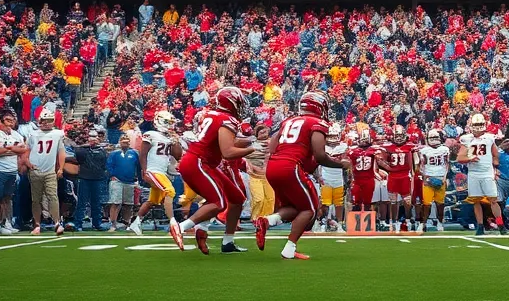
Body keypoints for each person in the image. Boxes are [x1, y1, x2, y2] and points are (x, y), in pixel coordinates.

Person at [255, 91, 347, 260]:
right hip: (290, 166)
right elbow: (319, 155)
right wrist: (340, 164)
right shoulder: (316, 122)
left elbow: (273, 147)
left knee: (296, 207)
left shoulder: (288, 121)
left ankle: (267, 221)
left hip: (274, 166)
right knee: (309, 209)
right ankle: (289, 249)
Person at [177, 86, 260, 254]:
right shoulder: (227, 119)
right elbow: (228, 152)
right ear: (231, 103)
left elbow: (224, 142)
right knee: (218, 203)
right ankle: (181, 227)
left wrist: (249, 142)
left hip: (202, 162)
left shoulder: (211, 114)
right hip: (199, 162)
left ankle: (227, 241)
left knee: (237, 198)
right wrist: (253, 149)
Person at [128, 111, 182, 236]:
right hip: (153, 170)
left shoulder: (168, 137)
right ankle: (173, 223)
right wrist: (144, 170)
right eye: (168, 122)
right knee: (170, 191)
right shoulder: (150, 134)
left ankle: (136, 222)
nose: (170, 125)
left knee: (153, 200)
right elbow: (143, 154)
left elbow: (177, 155)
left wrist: (176, 141)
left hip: (162, 172)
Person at [459, 113, 506, 236]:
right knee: (476, 201)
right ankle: (480, 226)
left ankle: (500, 224)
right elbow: (460, 157)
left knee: (493, 200)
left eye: (480, 124)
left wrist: (495, 166)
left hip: (486, 172)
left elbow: (496, 155)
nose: (479, 127)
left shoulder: (489, 138)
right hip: (474, 173)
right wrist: (470, 158)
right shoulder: (467, 139)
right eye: (477, 124)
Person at [25, 106, 66, 235]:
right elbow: (26, 152)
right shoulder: (33, 134)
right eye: (45, 120)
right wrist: (28, 163)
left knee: (52, 196)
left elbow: (61, 151)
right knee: (35, 199)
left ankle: (57, 223)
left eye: (49, 120)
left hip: (49, 171)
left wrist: (61, 168)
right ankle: (37, 224)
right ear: (39, 121)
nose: (47, 123)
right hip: (35, 170)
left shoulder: (57, 134)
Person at [0, 111, 25, 233]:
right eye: (7, 120)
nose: (10, 122)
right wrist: (14, 150)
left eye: (12, 120)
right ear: (2, 121)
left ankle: (6, 222)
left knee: (8, 198)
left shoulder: (17, 135)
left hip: (12, 170)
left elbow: (23, 150)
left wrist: (9, 150)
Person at [384, 124, 417, 231]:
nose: (398, 138)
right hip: (393, 176)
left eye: (400, 135)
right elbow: (383, 160)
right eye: (396, 135)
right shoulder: (388, 147)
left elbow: (416, 160)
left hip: (405, 175)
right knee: (393, 201)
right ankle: (394, 222)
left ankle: (407, 220)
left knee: (407, 201)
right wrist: (386, 169)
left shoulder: (410, 146)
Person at [418, 129, 450, 232]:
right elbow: (420, 166)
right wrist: (425, 177)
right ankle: (423, 223)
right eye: (432, 138)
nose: (434, 140)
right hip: (429, 178)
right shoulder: (424, 151)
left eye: (435, 138)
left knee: (440, 204)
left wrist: (445, 177)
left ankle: (440, 223)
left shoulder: (445, 149)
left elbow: (447, 164)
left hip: (440, 177)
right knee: (426, 204)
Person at [106, 134, 140, 231]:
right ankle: (113, 224)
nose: (125, 142)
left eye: (127, 140)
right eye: (123, 140)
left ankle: (126, 223)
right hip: (117, 181)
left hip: (130, 181)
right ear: (119, 142)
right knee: (115, 203)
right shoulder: (114, 153)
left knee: (128, 204)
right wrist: (112, 175)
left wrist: (138, 178)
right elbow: (109, 165)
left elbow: (138, 166)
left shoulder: (134, 153)